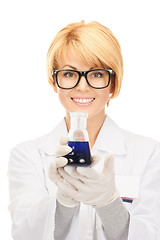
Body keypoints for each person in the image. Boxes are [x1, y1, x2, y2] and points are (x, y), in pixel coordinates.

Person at [8, 20, 160, 240]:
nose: (82, 86)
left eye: (97, 74)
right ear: (54, 81)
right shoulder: (27, 155)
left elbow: (152, 234)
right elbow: (25, 234)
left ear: (113, 83)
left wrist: (109, 204)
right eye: (69, 74)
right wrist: (63, 202)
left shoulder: (149, 154)